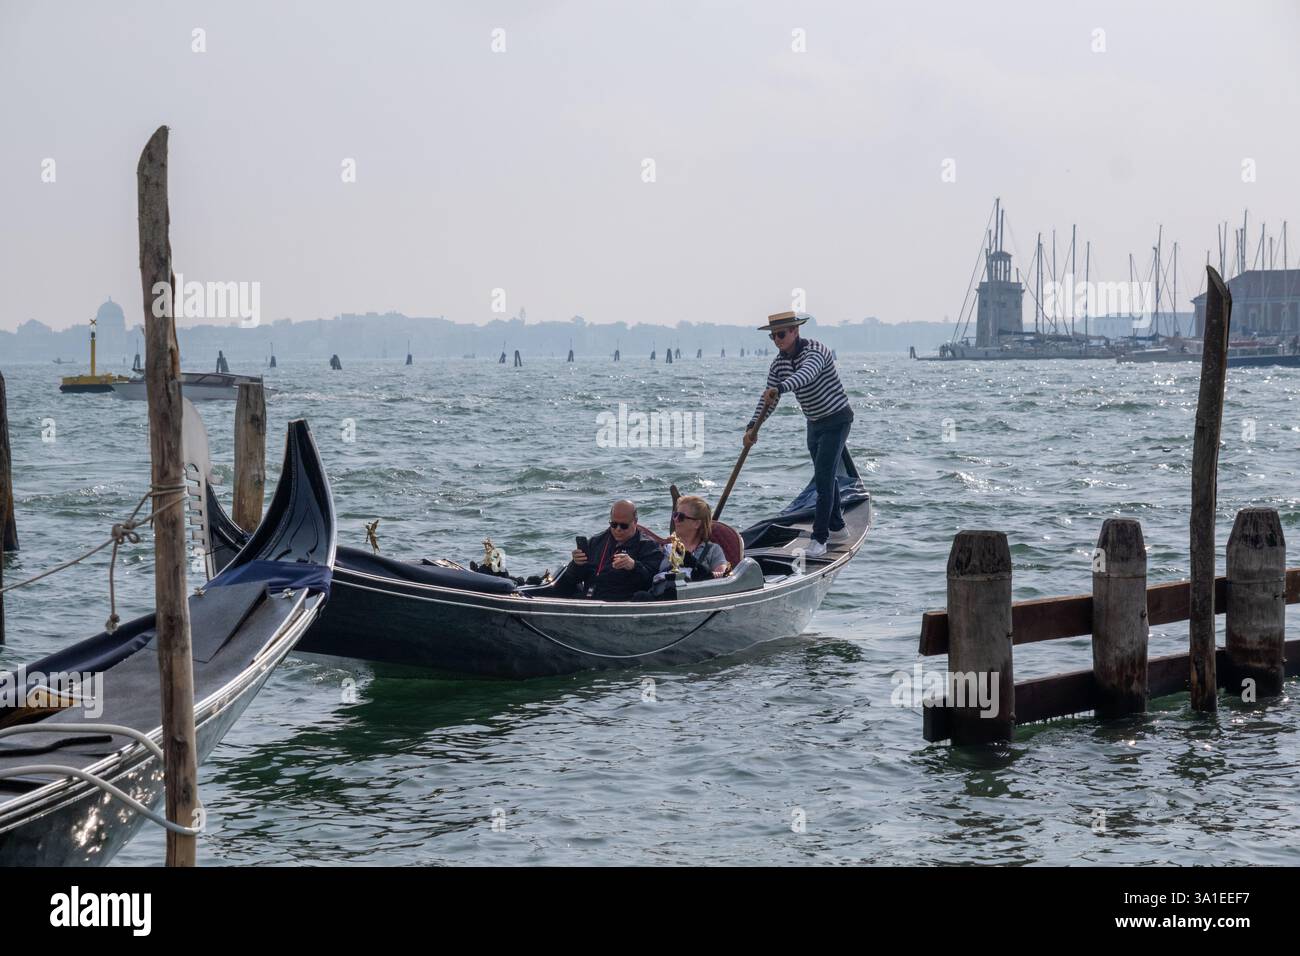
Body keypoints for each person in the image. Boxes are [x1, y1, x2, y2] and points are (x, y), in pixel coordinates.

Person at [743, 311, 853, 558]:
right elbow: (768, 400)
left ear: (795, 331)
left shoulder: (816, 350)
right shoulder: (778, 364)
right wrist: (752, 426)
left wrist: (780, 388)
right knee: (825, 476)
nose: (777, 340)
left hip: (837, 418)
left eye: (781, 334)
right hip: (814, 422)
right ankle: (837, 526)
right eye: (773, 337)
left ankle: (820, 538)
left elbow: (806, 375)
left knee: (824, 477)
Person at [560, 499, 662, 601]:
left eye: (623, 526)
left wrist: (634, 566)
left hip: (622, 602)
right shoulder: (596, 542)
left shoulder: (648, 546)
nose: (618, 529)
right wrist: (576, 564)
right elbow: (573, 578)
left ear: (635, 522)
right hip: (590, 598)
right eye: (613, 524)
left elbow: (653, 582)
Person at [660, 495, 729, 579]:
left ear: (696, 524)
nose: (675, 519)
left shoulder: (713, 550)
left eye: (681, 517)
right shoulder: (666, 549)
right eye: (675, 515)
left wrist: (696, 566)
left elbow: (723, 578)